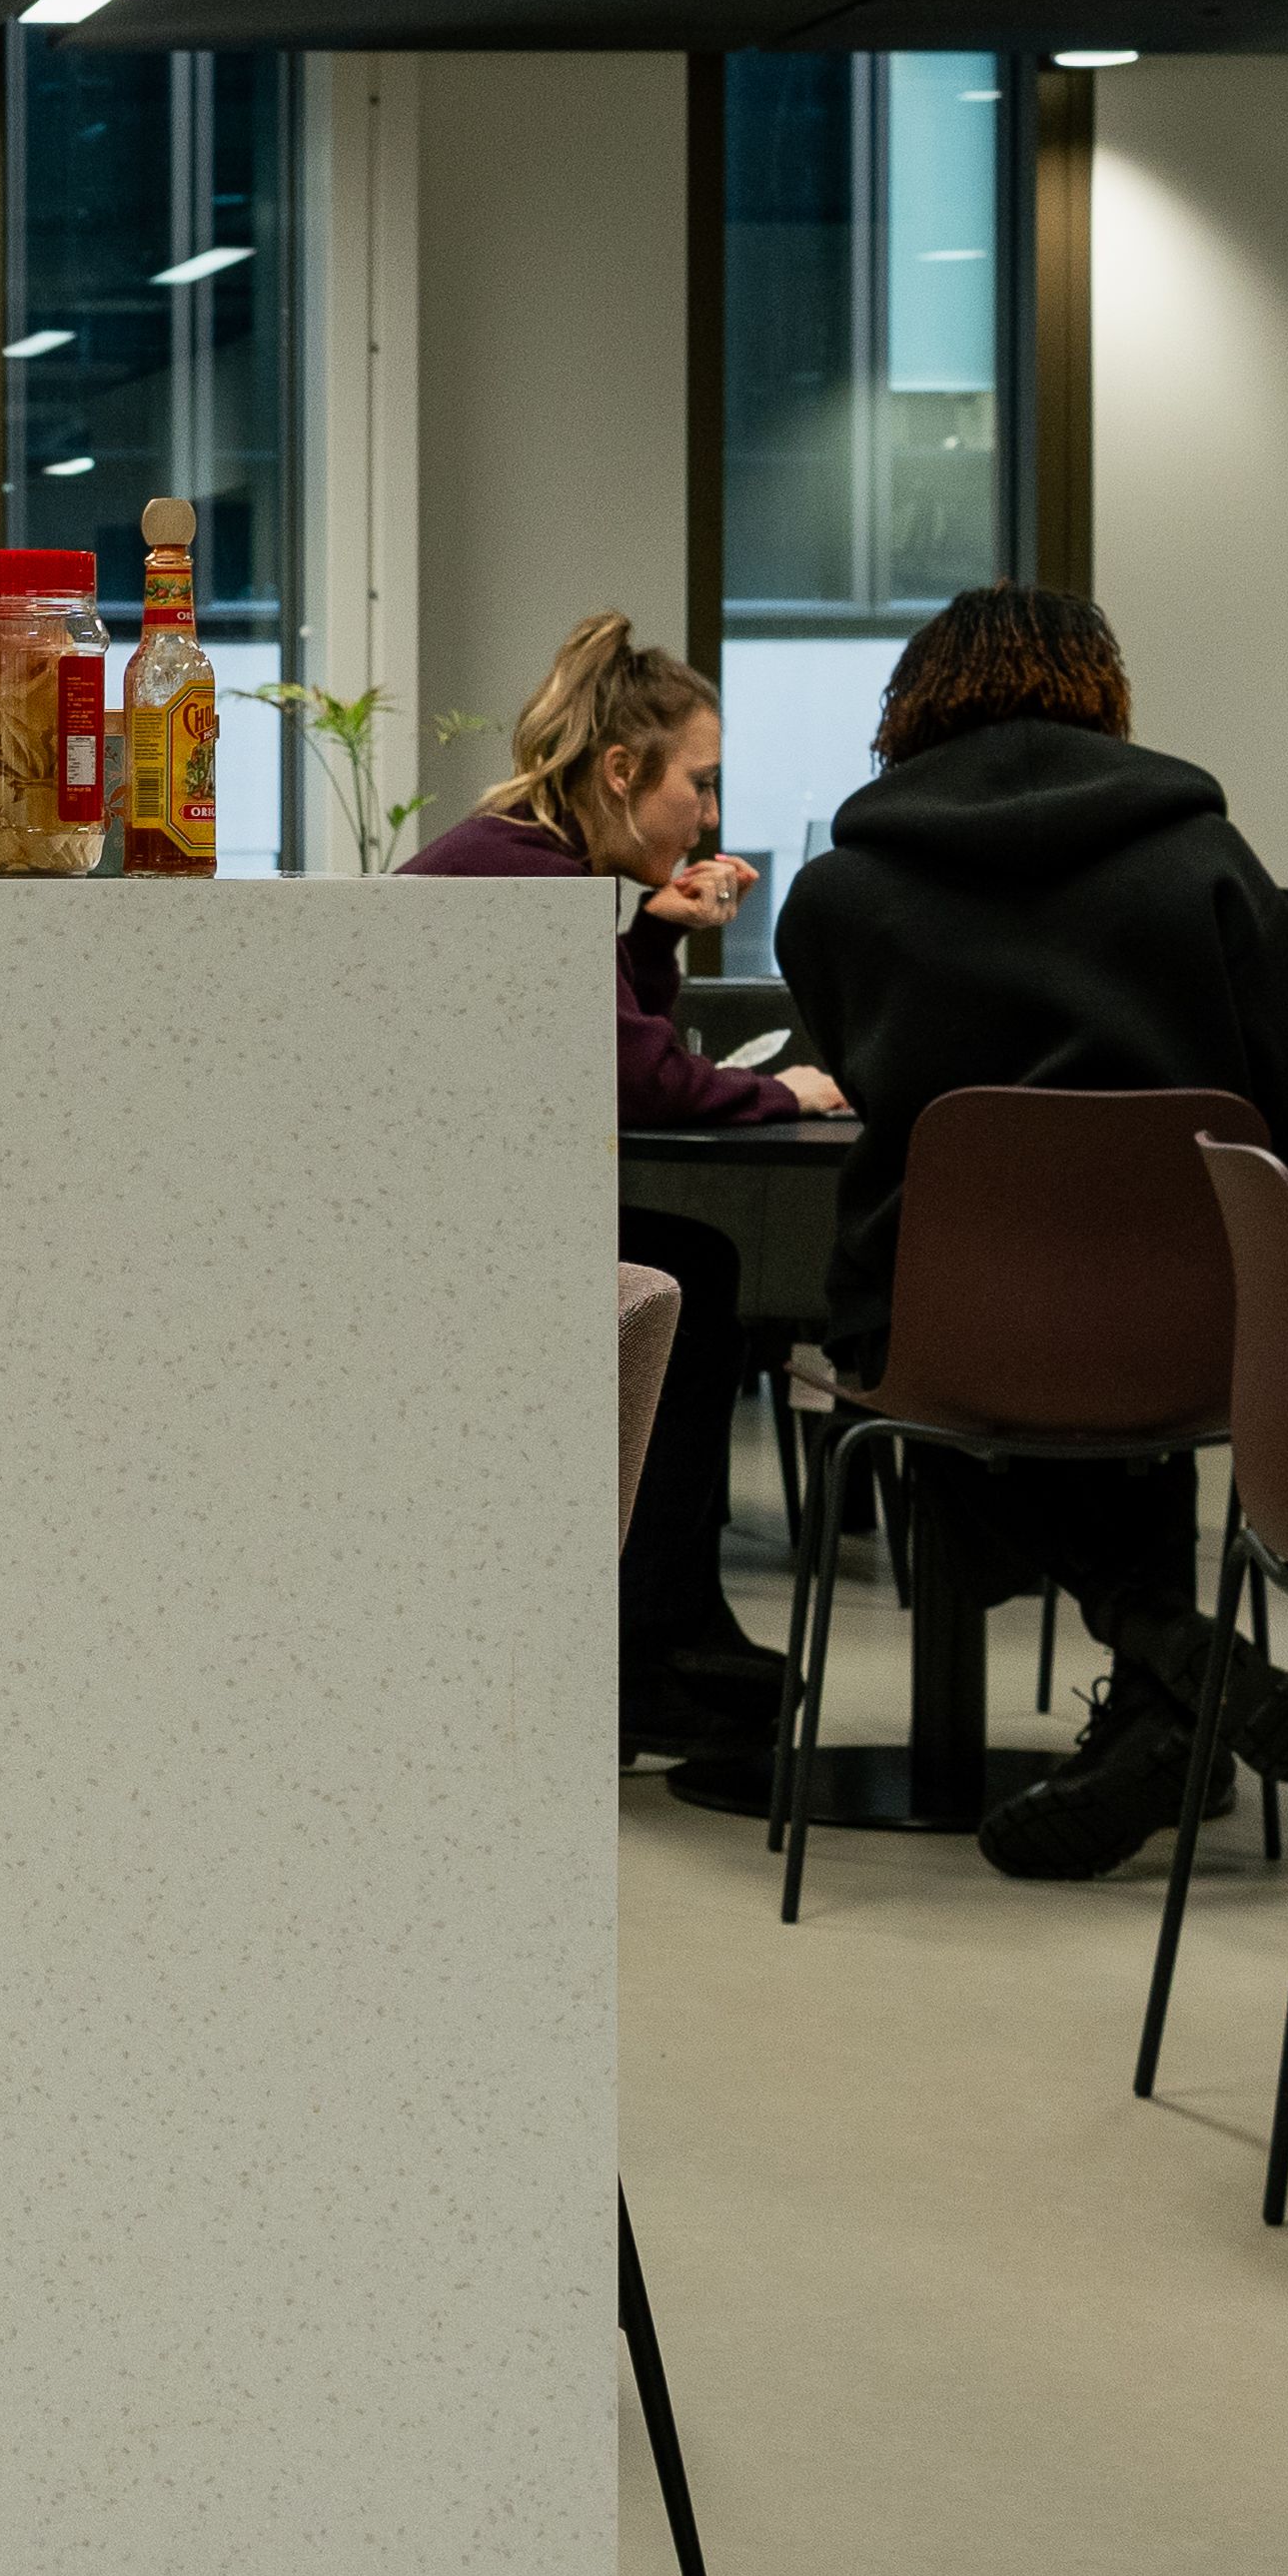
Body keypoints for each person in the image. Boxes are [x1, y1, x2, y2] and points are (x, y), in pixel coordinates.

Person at [772, 584, 1288, 1884]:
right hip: (1193, 1328)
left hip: (941, 1330)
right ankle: (1171, 1677)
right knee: (1120, 1398)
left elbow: (861, 1068)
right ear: (1105, 698)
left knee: (922, 1385)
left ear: (909, 708)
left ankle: (1171, 1664)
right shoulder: (1208, 858)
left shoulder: (835, 893)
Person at [398, 609, 846, 1769]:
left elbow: (597, 1045)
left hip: (437, 1227)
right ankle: (647, 1639)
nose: (707, 814)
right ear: (619, 771)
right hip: (425, 1256)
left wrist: (651, 936)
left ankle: (666, 1621)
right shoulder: (520, 878)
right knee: (690, 1273)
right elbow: (639, 1080)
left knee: (692, 1264)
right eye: (696, 784)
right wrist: (787, 1093)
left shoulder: (520, 859)